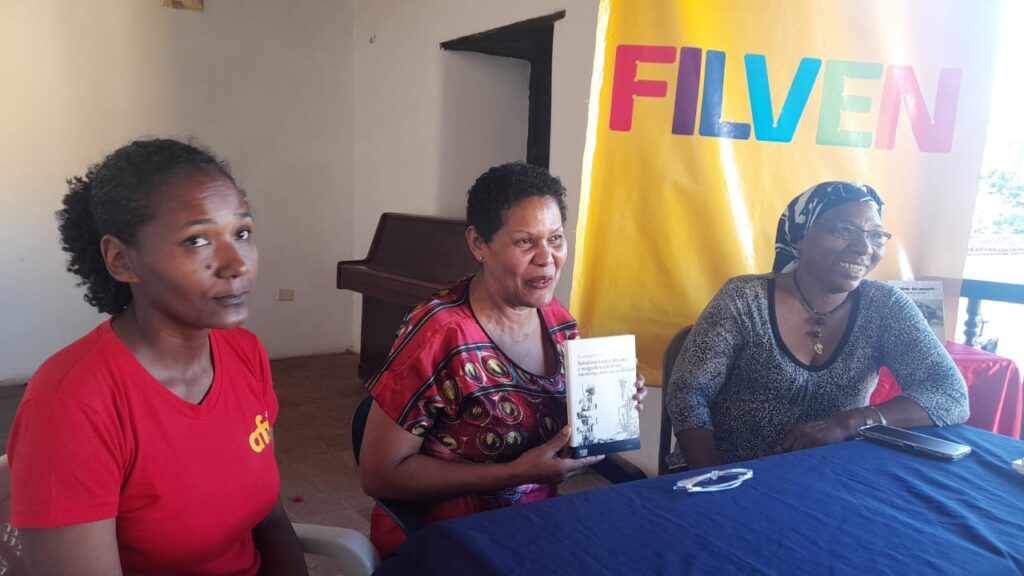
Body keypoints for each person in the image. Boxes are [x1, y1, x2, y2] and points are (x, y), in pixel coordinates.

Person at [6, 139, 308, 575]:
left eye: (241, 233)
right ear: (121, 260)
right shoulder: (71, 406)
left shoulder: (245, 353)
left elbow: (271, 519)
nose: (237, 264)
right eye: (198, 240)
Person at [359, 162, 648, 556]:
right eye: (525, 242)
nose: (547, 259)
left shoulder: (556, 320)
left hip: (535, 523)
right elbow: (379, 475)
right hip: (443, 534)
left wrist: (609, 403)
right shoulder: (439, 333)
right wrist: (513, 473)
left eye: (556, 239)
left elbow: (556, 427)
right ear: (478, 243)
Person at [667, 181, 969, 469]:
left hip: (832, 475)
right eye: (845, 230)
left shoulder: (885, 305)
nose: (864, 247)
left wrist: (852, 421)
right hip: (732, 471)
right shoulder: (744, 298)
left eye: (876, 235)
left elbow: (950, 394)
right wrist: (711, 476)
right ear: (800, 237)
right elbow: (687, 393)